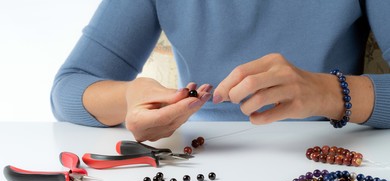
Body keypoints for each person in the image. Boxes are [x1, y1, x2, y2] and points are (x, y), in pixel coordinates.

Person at [50, 0, 390, 142]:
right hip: (203, 164)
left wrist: (331, 93)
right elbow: (69, 87)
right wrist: (129, 98)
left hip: (335, 161)